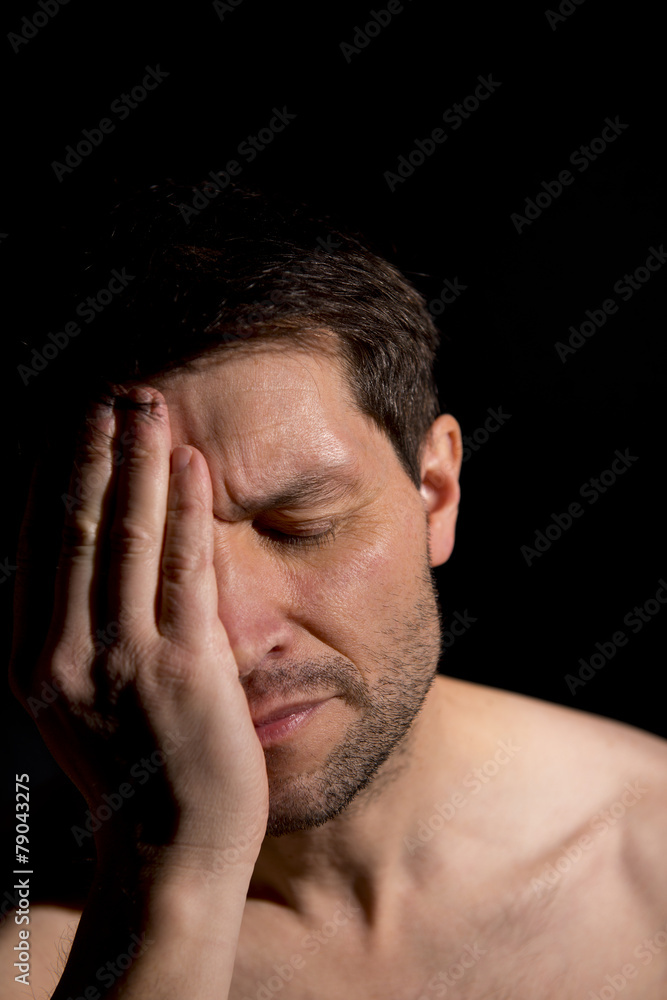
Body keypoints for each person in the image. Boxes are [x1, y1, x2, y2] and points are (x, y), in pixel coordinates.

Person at [3, 181, 666, 999]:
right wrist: (172, 865)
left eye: (299, 525)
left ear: (434, 491)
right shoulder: (29, 960)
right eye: (141, 563)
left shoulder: (651, 855)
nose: (234, 641)